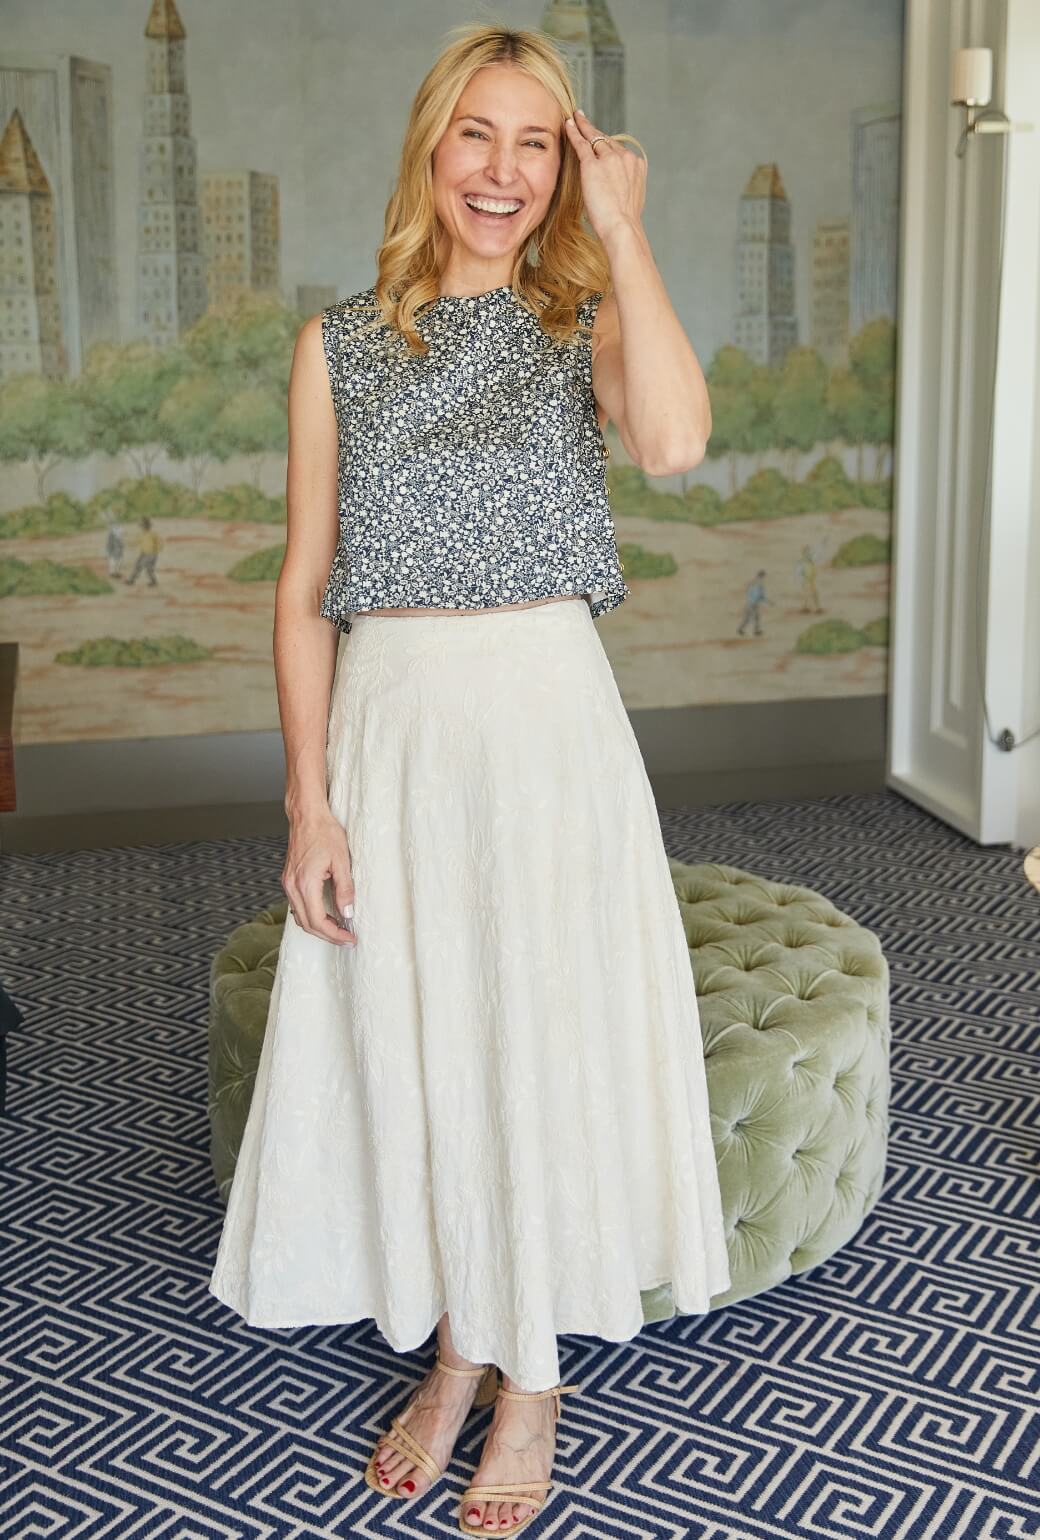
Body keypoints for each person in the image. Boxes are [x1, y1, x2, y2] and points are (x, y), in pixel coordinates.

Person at [208, 24, 731, 1537]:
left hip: (549, 729)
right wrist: (309, 799)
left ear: (568, 164)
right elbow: (303, 588)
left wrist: (624, 229)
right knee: (423, 1038)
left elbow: (676, 440)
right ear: (431, 148)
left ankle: (535, 1380)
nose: (503, 172)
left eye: (537, 143)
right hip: (393, 731)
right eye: (477, 136)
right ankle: (455, 1352)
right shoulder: (338, 344)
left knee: (535, 1034)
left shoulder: (583, 315)